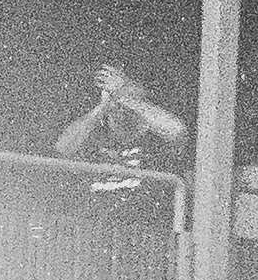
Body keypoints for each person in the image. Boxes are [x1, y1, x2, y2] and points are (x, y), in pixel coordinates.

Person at [53, 62, 188, 190]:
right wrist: (102, 107)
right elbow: (62, 149)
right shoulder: (96, 130)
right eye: (107, 87)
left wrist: (124, 97)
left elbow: (177, 132)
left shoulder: (154, 133)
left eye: (125, 86)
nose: (115, 93)